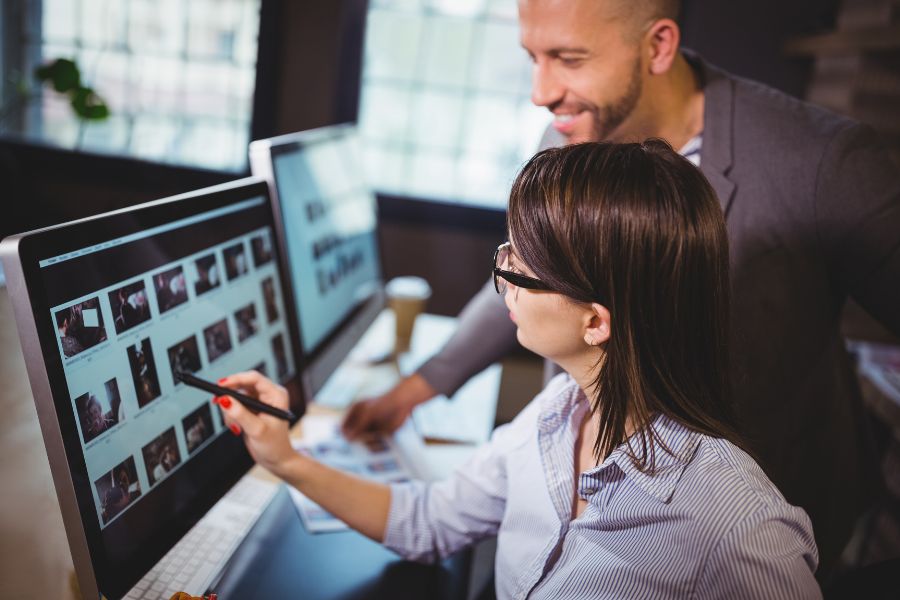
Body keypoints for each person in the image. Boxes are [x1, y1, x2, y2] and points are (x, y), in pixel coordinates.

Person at [340, 0, 900, 572]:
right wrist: (419, 387)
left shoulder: (820, 161)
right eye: (533, 57)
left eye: (568, 58)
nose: (541, 92)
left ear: (657, 46)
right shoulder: (569, 134)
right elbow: (525, 274)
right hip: (592, 504)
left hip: (749, 527)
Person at [216, 141, 820, 598]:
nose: (501, 275)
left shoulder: (737, 523)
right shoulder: (555, 416)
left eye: (521, 264)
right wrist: (286, 459)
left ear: (595, 323)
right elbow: (429, 523)